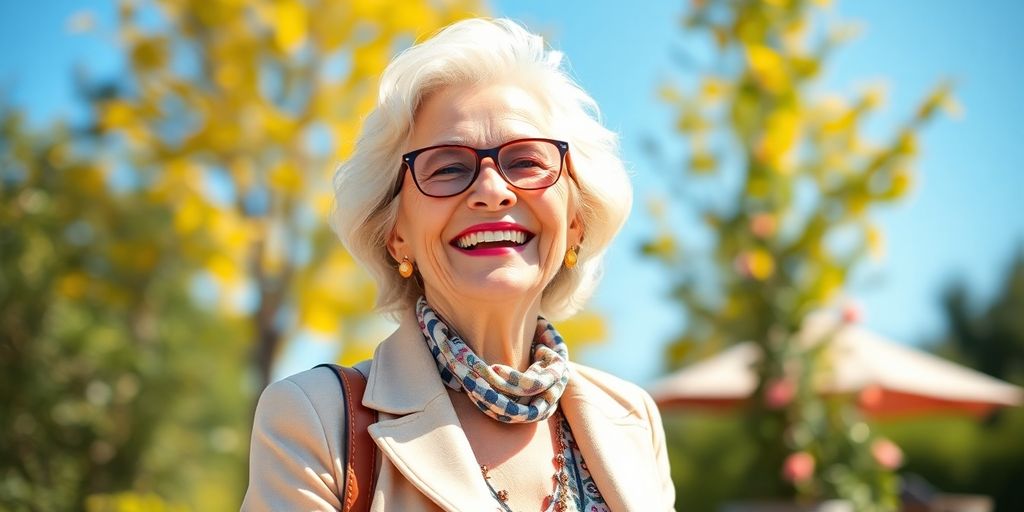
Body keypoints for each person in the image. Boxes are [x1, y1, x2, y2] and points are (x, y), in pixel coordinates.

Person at [242, 18, 674, 512]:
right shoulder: (315, 420)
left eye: (526, 161)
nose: (492, 191)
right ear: (396, 235)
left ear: (575, 222)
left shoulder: (633, 419)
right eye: (447, 167)